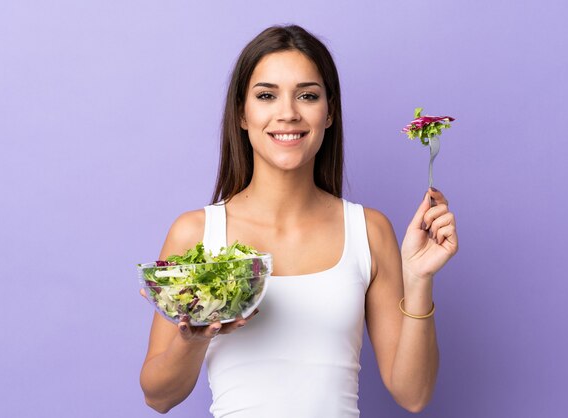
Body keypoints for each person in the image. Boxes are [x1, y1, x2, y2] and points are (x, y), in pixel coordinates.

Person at [139, 24, 458, 417]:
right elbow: (158, 396)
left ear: (329, 113)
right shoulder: (196, 234)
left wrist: (419, 278)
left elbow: (413, 394)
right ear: (242, 112)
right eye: (266, 96)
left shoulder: (369, 231)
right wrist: (194, 337)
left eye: (307, 95)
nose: (288, 113)